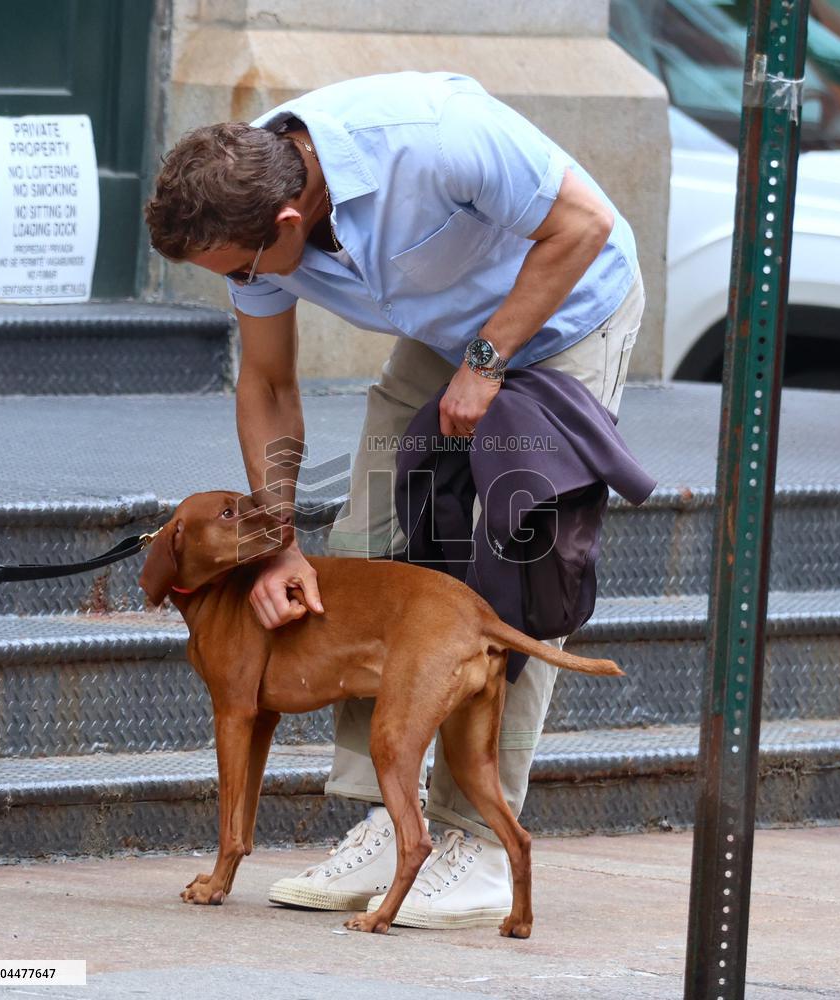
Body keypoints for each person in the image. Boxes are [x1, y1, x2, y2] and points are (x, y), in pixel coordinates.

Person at [145, 70, 645, 929]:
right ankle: (392, 812)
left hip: (566, 307)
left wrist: (487, 362)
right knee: (362, 539)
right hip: (443, 328)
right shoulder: (242, 198)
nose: (242, 284)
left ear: (287, 223)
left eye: (241, 270)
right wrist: (276, 540)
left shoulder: (433, 139)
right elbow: (268, 382)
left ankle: (476, 841)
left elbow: (584, 223)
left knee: (520, 564)